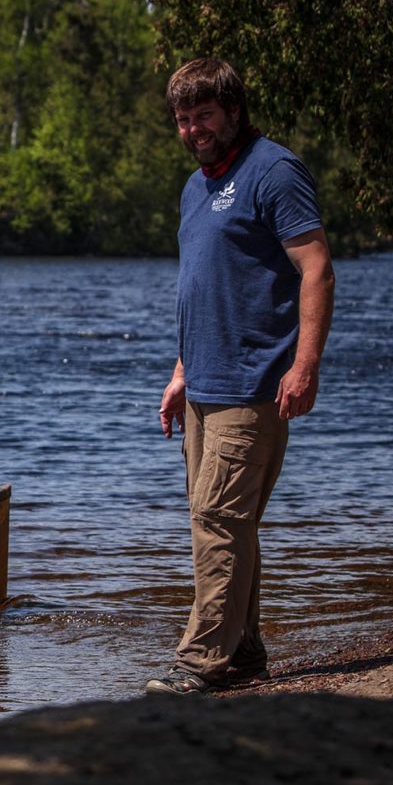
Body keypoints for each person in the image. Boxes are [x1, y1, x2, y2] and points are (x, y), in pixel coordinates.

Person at [145, 58, 334, 695]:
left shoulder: (274, 170)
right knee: (229, 521)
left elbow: (316, 269)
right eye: (182, 119)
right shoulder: (194, 187)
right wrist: (179, 371)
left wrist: (304, 366)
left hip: (254, 383)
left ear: (232, 111)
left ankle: (201, 661)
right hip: (203, 383)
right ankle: (245, 653)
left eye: (203, 115)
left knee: (217, 520)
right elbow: (199, 287)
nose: (193, 128)